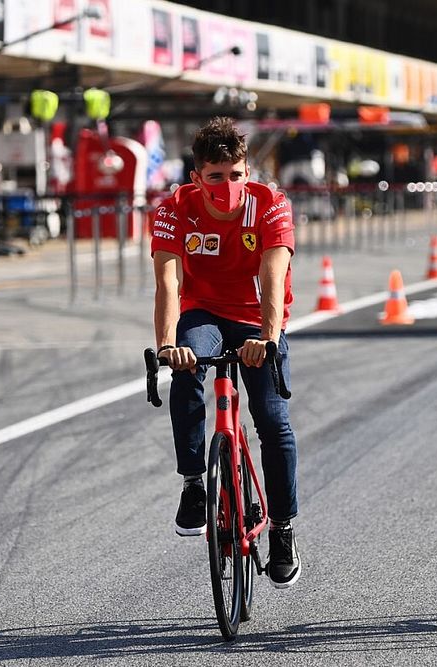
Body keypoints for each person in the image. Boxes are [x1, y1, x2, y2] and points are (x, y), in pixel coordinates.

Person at [151, 117, 301, 588]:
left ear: (247, 172)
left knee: (273, 422)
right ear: (196, 178)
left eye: (236, 175)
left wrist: (270, 338)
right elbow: (168, 282)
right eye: (216, 176)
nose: (228, 185)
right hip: (203, 312)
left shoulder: (270, 203)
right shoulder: (174, 207)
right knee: (188, 367)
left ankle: (282, 529)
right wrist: (167, 344)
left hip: (257, 317)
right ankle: (195, 484)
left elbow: (274, 277)